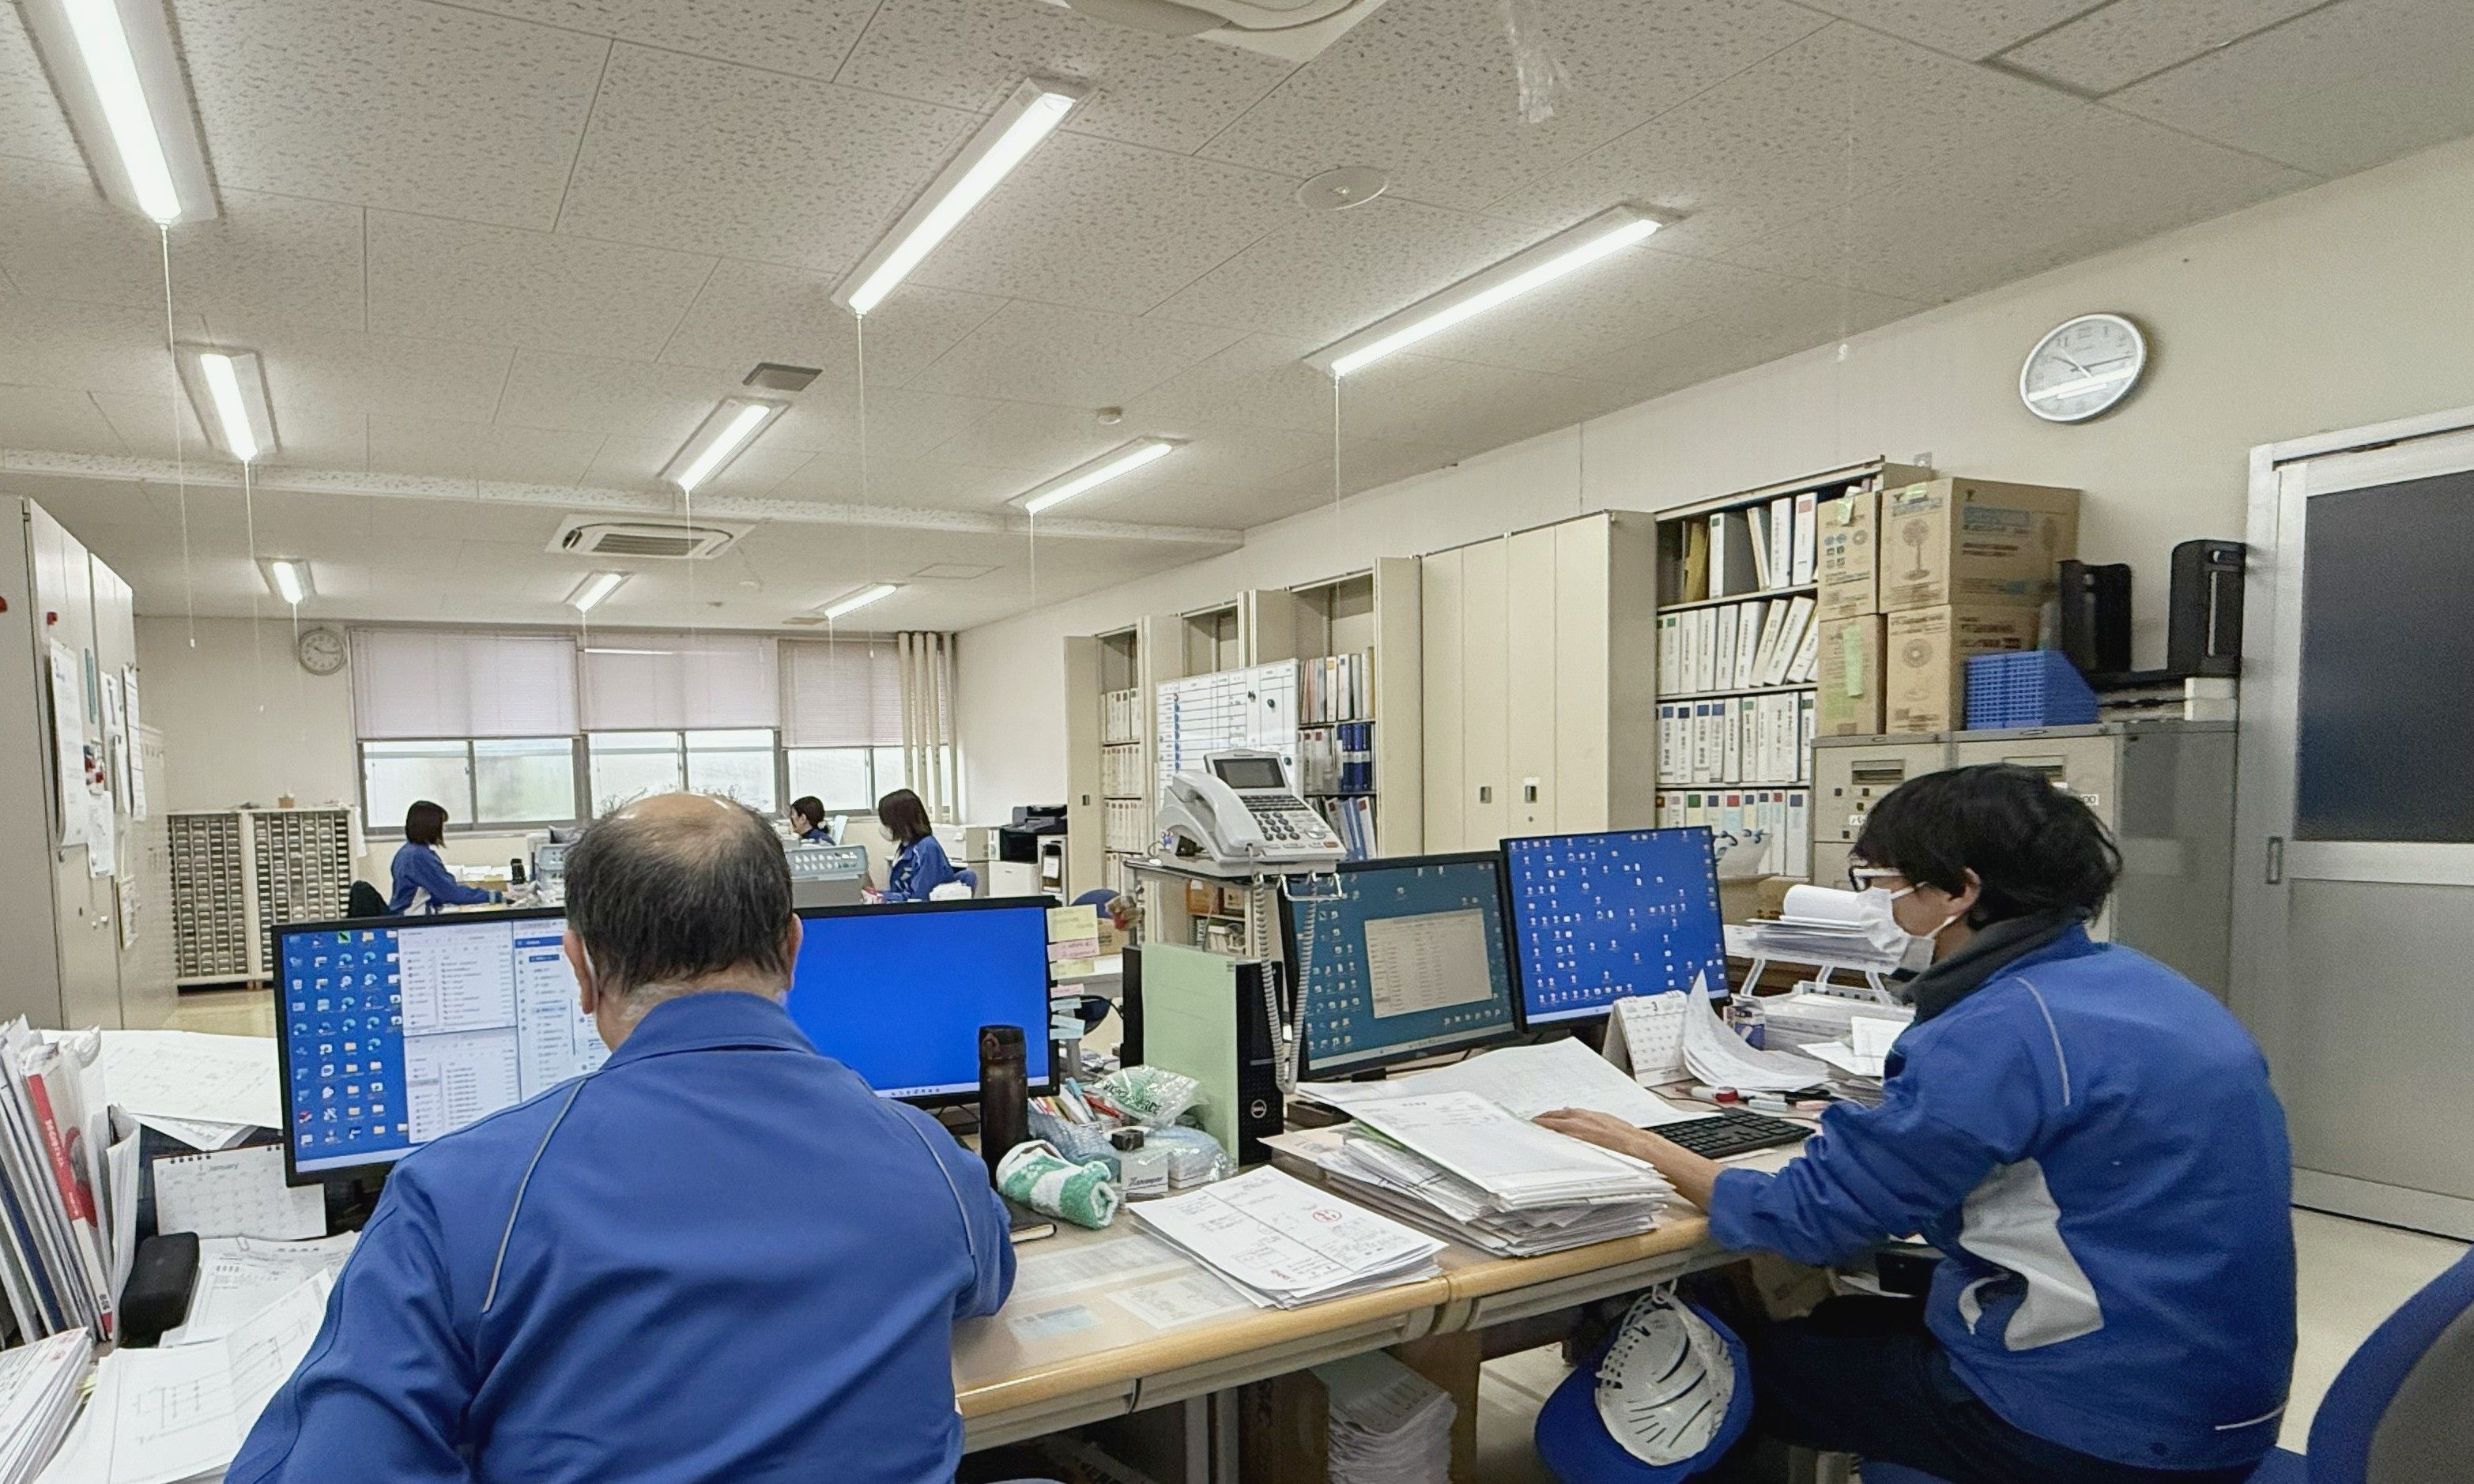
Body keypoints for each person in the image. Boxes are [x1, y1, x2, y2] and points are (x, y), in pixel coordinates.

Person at [1540, 765, 2295, 1484]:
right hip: (2214, 1397)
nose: (1874, 902)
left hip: (2093, 1424)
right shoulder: (2149, 989)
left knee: (1734, 1364)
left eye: (1882, 881)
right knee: (1841, 1326)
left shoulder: (1995, 1029)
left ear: (1959, 892)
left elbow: (1810, 1221)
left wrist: (1645, 1146)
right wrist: (1891, 1129)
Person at [232, 793, 1014, 1483]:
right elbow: (987, 1281)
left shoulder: (454, 1198)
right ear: (792, 948)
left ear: (579, 968)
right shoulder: (932, 1161)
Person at [387, 800, 502, 915]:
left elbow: (437, 891)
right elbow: (451, 893)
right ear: (431, 826)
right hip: (415, 919)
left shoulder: (407, 852)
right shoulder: (418, 856)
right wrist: (495, 896)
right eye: (441, 824)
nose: (443, 829)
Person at [875, 788, 974, 902]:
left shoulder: (926, 849)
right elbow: (901, 892)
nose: (883, 826)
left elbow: (919, 898)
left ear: (899, 821)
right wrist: (876, 894)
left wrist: (882, 897)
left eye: (885, 821)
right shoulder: (907, 847)